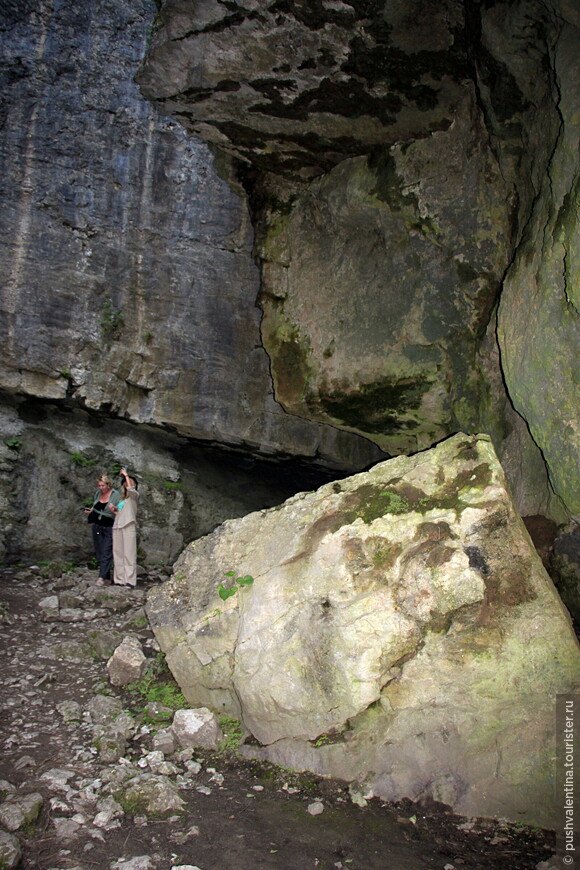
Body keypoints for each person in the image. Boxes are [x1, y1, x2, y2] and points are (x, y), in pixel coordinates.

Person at [86, 474, 121, 585]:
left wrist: (114, 509)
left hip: (109, 527)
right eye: (99, 486)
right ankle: (106, 576)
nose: (101, 488)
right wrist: (90, 511)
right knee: (100, 550)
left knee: (106, 550)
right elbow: (95, 506)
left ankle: (101, 577)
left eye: (103, 485)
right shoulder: (98, 494)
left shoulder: (115, 495)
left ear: (108, 485)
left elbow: (121, 510)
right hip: (97, 526)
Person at [109, 467, 139, 587]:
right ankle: (119, 579)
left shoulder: (134, 497)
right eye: (126, 483)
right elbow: (121, 513)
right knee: (118, 553)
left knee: (129, 553)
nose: (127, 484)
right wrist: (114, 510)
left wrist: (126, 475)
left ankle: (130, 580)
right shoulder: (123, 499)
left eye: (130, 482)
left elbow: (131, 489)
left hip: (128, 525)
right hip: (118, 525)